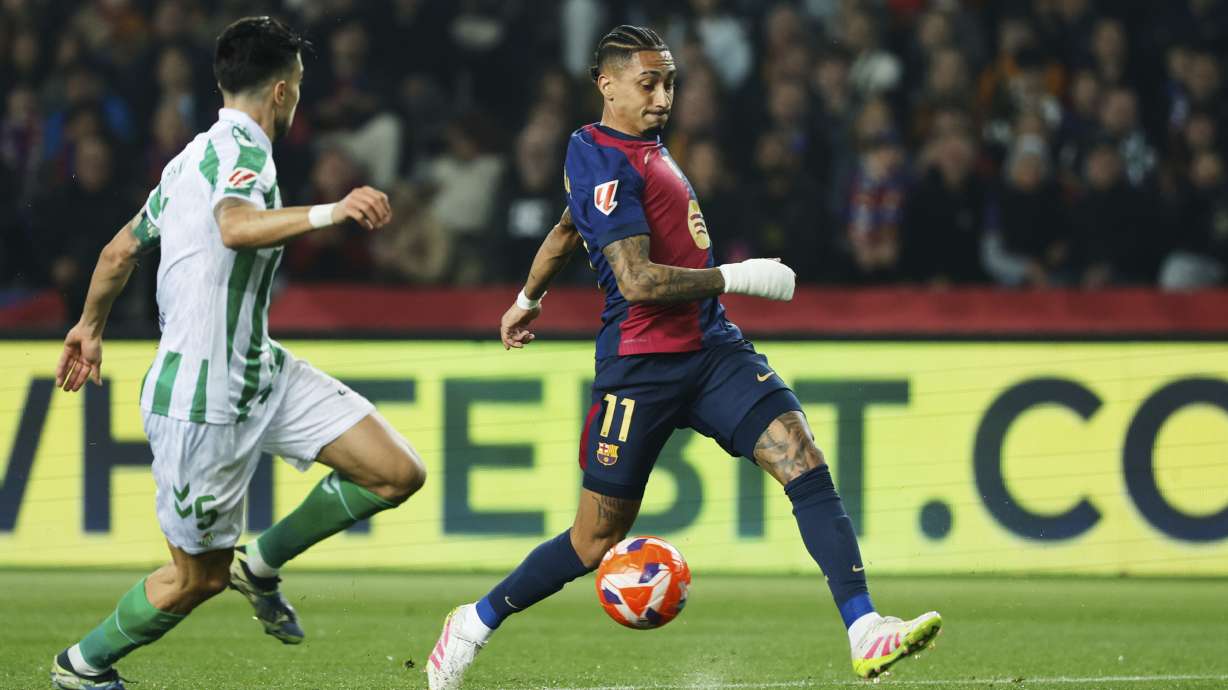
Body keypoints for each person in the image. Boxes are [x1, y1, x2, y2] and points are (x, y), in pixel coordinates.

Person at [425, 25, 941, 690]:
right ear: (606, 84)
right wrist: (738, 276)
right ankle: (472, 622)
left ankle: (865, 629)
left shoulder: (633, 152)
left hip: (712, 349)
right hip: (640, 368)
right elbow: (637, 281)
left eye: (669, 81)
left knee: (801, 457)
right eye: (649, 82)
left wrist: (527, 295)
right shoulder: (600, 154)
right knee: (592, 542)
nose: (663, 95)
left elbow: (563, 228)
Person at [49, 17, 426, 690]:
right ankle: (81, 666)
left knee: (396, 473)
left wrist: (89, 324)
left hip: (260, 369)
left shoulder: (187, 159)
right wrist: (330, 210)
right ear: (283, 91)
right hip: (202, 402)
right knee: (196, 579)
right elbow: (235, 226)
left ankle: (264, 564)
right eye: (301, 87)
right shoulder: (242, 153)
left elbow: (120, 251)